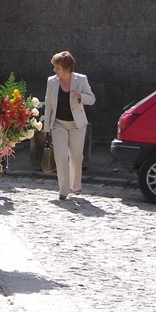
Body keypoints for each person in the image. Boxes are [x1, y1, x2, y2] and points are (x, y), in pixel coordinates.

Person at [42, 51, 95, 200]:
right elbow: (48, 105)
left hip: (77, 124)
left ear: (67, 68)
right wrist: (47, 127)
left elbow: (92, 99)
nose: (54, 70)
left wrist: (81, 96)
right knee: (60, 155)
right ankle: (63, 189)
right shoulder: (51, 81)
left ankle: (75, 185)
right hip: (58, 123)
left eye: (57, 67)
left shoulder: (81, 80)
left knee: (77, 156)